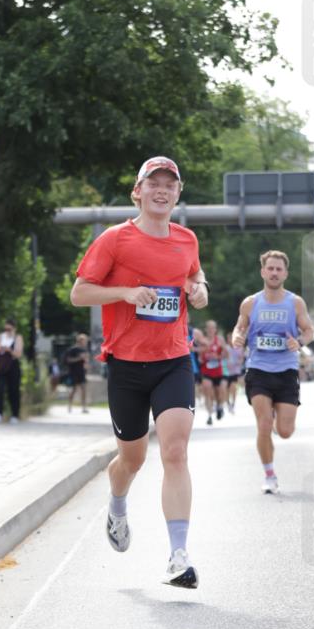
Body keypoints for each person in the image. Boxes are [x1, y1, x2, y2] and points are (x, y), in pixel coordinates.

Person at [70, 156, 208, 588]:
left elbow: (196, 281)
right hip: (127, 366)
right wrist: (127, 293)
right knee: (132, 458)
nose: (162, 190)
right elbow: (79, 294)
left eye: (170, 184)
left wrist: (199, 290)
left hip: (173, 360)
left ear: (178, 193)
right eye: (154, 183)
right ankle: (117, 506)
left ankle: (178, 555)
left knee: (175, 451)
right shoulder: (115, 239)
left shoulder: (187, 239)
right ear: (138, 192)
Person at [232, 250, 314, 494]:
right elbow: (239, 327)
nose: (275, 272)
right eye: (271, 268)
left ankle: (280, 421)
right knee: (264, 424)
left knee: (286, 431)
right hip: (258, 369)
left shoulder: (295, 302)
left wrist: (299, 342)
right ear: (263, 272)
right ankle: (269, 475)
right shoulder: (251, 302)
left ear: (285, 274)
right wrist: (238, 337)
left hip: (286, 370)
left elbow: (309, 330)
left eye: (279, 269)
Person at [0, 318, 24, 424]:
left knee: (13, 390)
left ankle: (14, 415)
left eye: (9, 329)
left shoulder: (18, 338)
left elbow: (18, 354)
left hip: (13, 366)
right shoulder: (1, 336)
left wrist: (9, 350)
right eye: (6, 328)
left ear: (14, 328)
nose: (7, 331)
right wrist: (0, 349)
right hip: (2, 366)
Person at [195, 320, 229, 425]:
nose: (210, 330)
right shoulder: (203, 341)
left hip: (218, 372)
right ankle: (209, 415)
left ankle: (219, 407)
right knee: (207, 391)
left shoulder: (220, 340)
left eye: (212, 328)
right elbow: (199, 357)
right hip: (206, 371)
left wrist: (218, 356)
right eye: (208, 328)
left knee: (220, 392)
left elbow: (226, 355)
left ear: (215, 329)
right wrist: (202, 357)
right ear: (206, 329)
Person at [64, 332, 90, 413]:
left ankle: (84, 407)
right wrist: (79, 358)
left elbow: (85, 361)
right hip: (73, 372)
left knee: (84, 389)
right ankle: (69, 405)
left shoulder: (85, 350)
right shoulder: (72, 350)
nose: (85, 342)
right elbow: (68, 360)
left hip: (81, 372)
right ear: (80, 341)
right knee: (74, 389)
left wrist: (86, 363)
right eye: (84, 340)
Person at [225, 331, 245, 413]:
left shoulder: (239, 348)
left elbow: (241, 358)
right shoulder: (226, 348)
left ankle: (233, 404)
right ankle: (228, 403)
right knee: (227, 389)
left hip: (235, 371)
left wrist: (239, 362)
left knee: (233, 387)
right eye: (229, 338)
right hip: (226, 372)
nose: (231, 340)